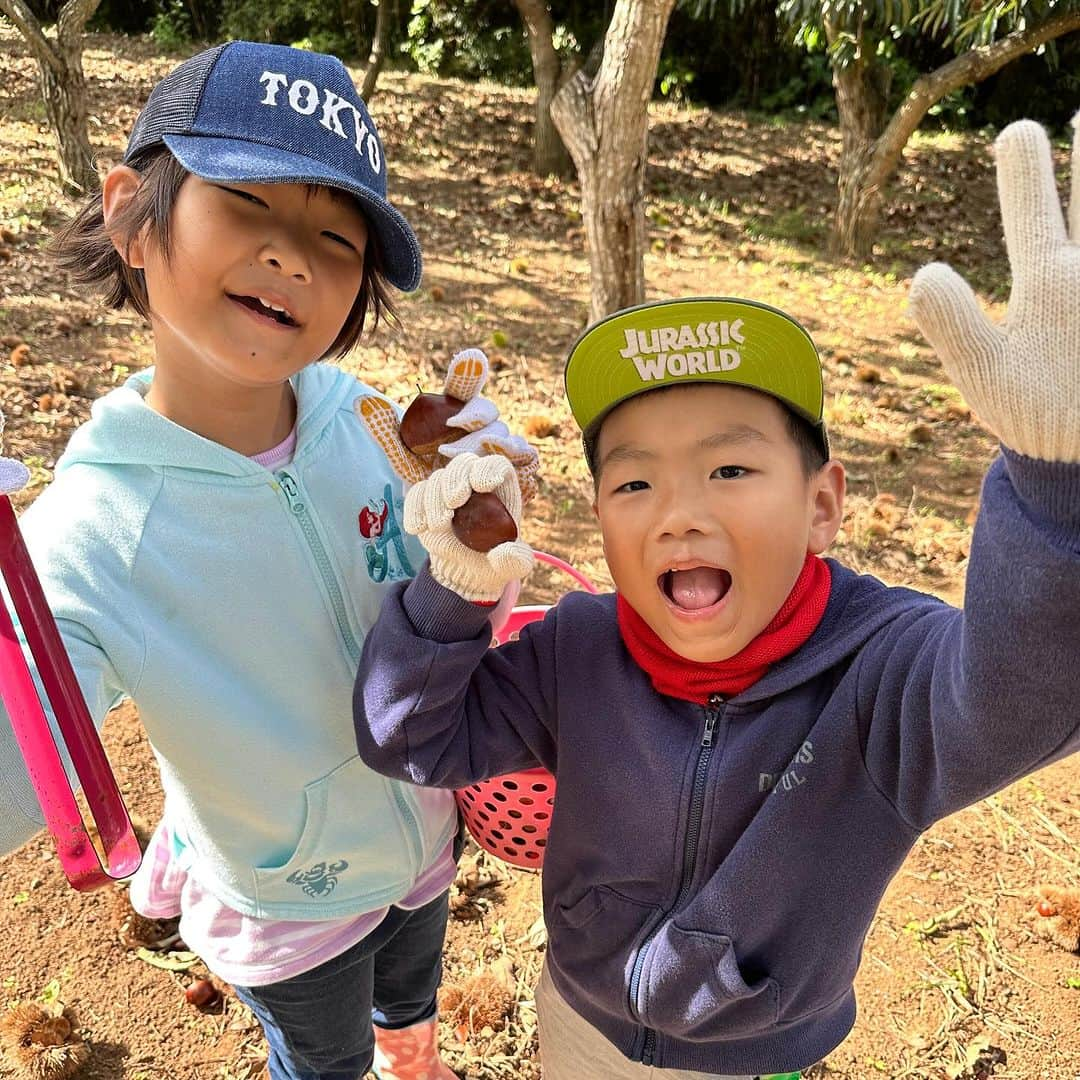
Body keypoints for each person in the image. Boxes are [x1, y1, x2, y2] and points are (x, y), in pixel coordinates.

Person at [353, 110, 1080, 1080]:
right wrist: (451, 593)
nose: (678, 515)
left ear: (822, 506)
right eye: (634, 481)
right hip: (581, 1019)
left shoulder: (882, 674)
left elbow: (1023, 704)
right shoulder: (580, 649)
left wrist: (1054, 480)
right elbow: (408, 738)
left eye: (731, 470)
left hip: (755, 1054)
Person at [0, 41, 534, 1080]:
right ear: (129, 215)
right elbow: (21, 755)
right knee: (321, 1055)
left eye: (337, 237)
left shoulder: (373, 425)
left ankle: (413, 1053)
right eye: (247, 204)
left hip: (428, 837)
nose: (294, 255)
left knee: (412, 988)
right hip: (286, 898)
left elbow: (461, 604)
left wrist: (486, 533)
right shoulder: (91, 533)